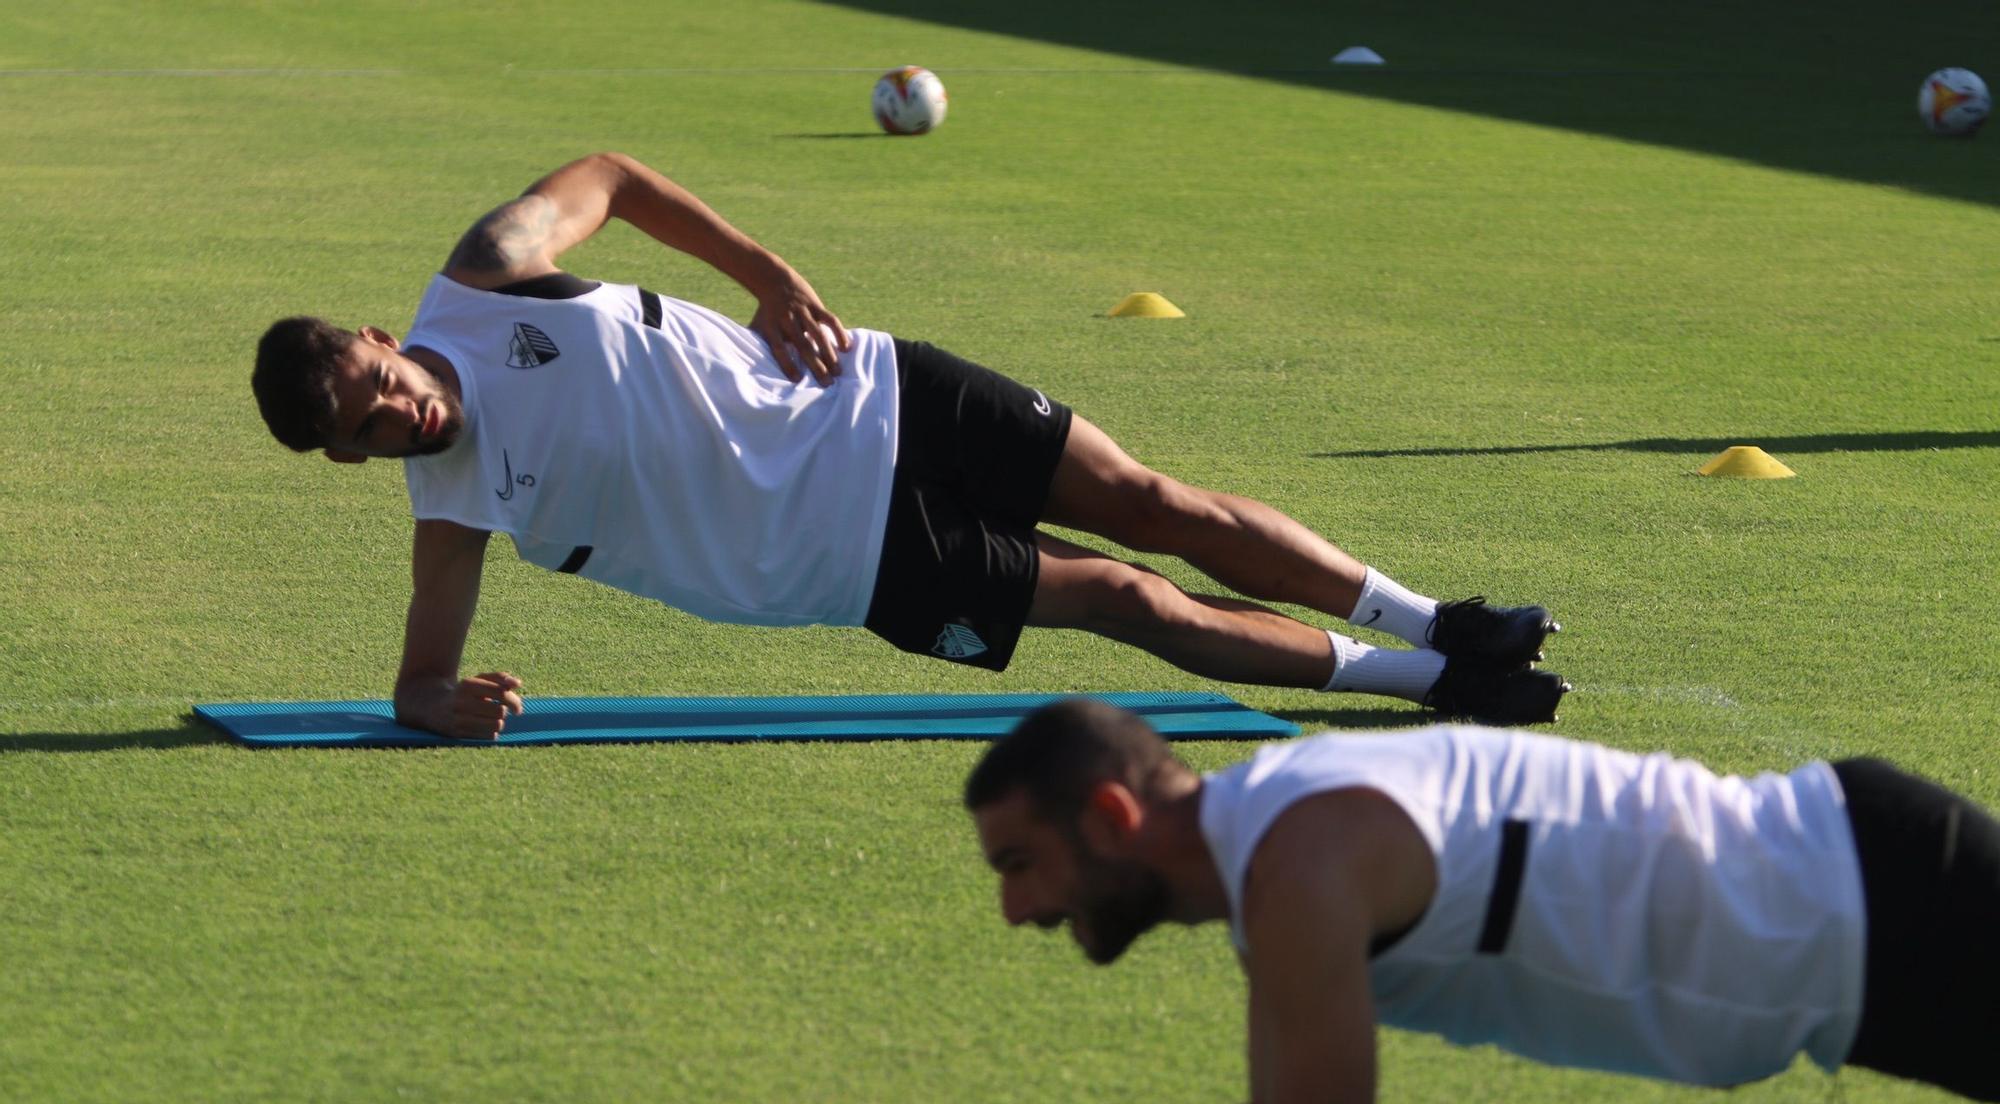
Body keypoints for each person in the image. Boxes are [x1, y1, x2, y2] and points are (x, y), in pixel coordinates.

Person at [251, 152, 1568, 740]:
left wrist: (768, 274)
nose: (402, 412)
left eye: (383, 382)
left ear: (381, 334)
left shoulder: (485, 280)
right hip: (850, 556)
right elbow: (418, 677)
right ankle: (1423, 686)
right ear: (360, 462)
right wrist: (441, 702)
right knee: (1127, 594)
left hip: (873, 389)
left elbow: (614, 175)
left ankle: (1440, 618)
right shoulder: (453, 504)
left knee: (1154, 499)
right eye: (372, 432)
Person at [856, 699, 2000, 1104]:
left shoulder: (1298, 865)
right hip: (1857, 946)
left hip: (1887, 899)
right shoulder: (1271, 856)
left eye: (1020, 864)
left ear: (1109, 817)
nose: (1015, 911)